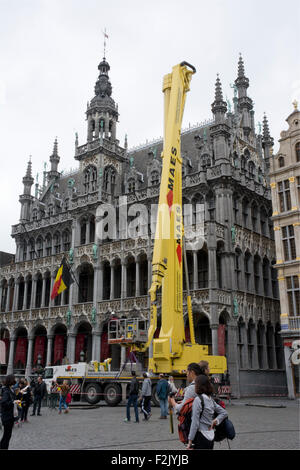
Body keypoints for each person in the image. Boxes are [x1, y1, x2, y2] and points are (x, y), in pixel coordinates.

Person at [187, 375, 228, 450]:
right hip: (211, 436)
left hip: (201, 436)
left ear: (198, 385)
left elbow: (195, 422)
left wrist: (190, 440)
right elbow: (224, 412)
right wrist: (215, 421)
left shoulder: (198, 400)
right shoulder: (211, 400)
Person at [0, 374, 17, 449]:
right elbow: (4, 403)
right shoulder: (6, 391)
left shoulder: (10, 389)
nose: (15, 380)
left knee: (7, 435)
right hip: (7, 417)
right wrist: (13, 402)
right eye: (14, 379)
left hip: (9, 416)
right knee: (7, 435)